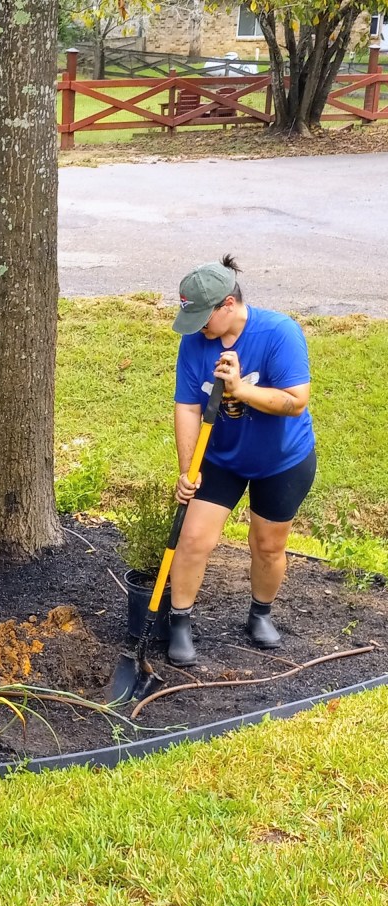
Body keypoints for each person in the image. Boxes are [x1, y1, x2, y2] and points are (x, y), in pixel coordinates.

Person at [167, 254, 316, 665]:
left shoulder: (279, 333)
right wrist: (187, 469)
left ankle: (260, 614)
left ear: (227, 305)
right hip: (221, 458)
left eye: (203, 317)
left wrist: (240, 390)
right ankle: (179, 622)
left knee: (268, 544)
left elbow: (295, 403)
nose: (198, 327)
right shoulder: (194, 342)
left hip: (281, 460)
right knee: (195, 538)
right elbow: (187, 407)